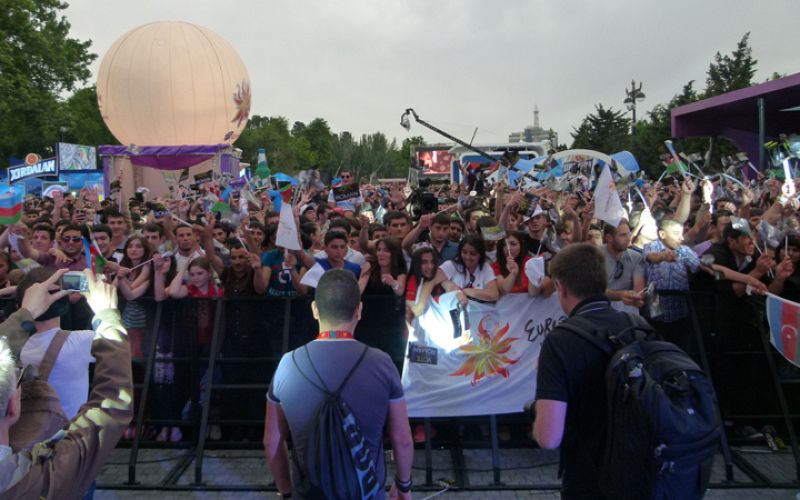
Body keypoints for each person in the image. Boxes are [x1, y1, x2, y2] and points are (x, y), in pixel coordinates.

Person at [264, 270, 413, 499]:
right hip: (366, 492)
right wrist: (403, 485)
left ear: (315, 309)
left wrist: (286, 491)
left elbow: (272, 441)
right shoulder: (382, 363)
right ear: (359, 310)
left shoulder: (288, 364)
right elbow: (402, 439)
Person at [0, 268, 133, 497]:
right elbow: (112, 400)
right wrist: (107, 315)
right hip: (62, 436)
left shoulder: (20, 349)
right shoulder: (48, 476)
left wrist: (24, 312)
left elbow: (112, 404)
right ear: (14, 404)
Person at [533, 243, 638, 499]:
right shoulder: (637, 324)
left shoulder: (560, 341)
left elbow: (548, 437)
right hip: (639, 466)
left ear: (561, 287)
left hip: (589, 475)